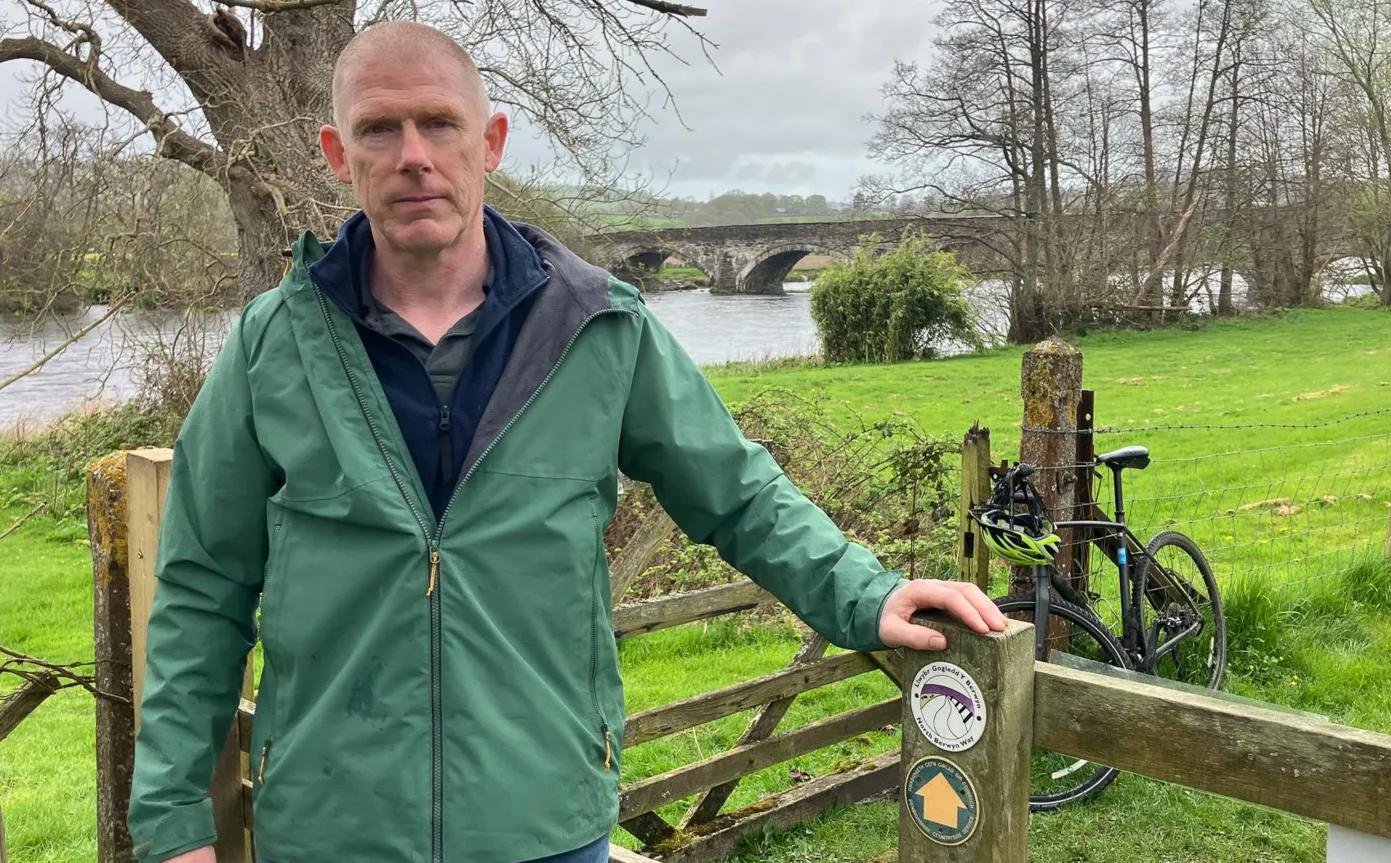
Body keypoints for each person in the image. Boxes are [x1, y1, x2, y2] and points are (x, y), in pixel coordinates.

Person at [127, 21, 1006, 863]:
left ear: (492, 140)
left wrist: (866, 591)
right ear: (336, 153)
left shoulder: (597, 328)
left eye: (439, 122)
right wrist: (171, 818)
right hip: (331, 825)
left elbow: (736, 493)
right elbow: (204, 584)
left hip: (542, 820)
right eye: (379, 129)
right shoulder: (272, 346)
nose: (414, 156)